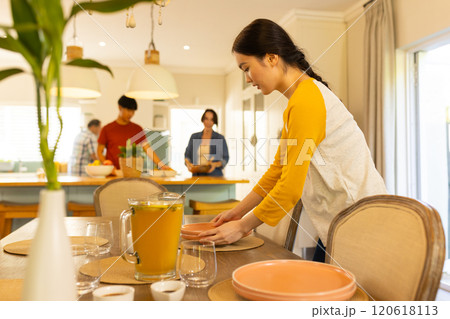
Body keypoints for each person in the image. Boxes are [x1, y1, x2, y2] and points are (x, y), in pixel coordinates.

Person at [199, 19, 387, 262]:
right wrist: (236, 213)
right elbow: (277, 171)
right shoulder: (298, 102)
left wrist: (242, 226)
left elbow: (290, 188)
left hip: (359, 224)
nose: (247, 78)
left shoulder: (307, 100)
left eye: (246, 68)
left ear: (271, 58)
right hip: (340, 223)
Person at [97, 95, 171, 171]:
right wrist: (105, 162)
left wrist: (161, 165)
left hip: (132, 172)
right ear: (120, 107)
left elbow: (147, 149)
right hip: (112, 172)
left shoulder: (137, 129)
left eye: (133, 111)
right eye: (129, 110)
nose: (131, 114)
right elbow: (99, 151)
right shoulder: (107, 129)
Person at [184, 109, 229, 176]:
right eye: (206, 119)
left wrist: (215, 164)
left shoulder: (220, 138)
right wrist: (188, 164)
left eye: (211, 120)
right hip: (197, 175)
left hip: (214, 175)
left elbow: (225, 158)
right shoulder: (194, 137)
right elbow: (187, 156)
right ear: (203, 120)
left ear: (214, 122)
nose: (208, 122)